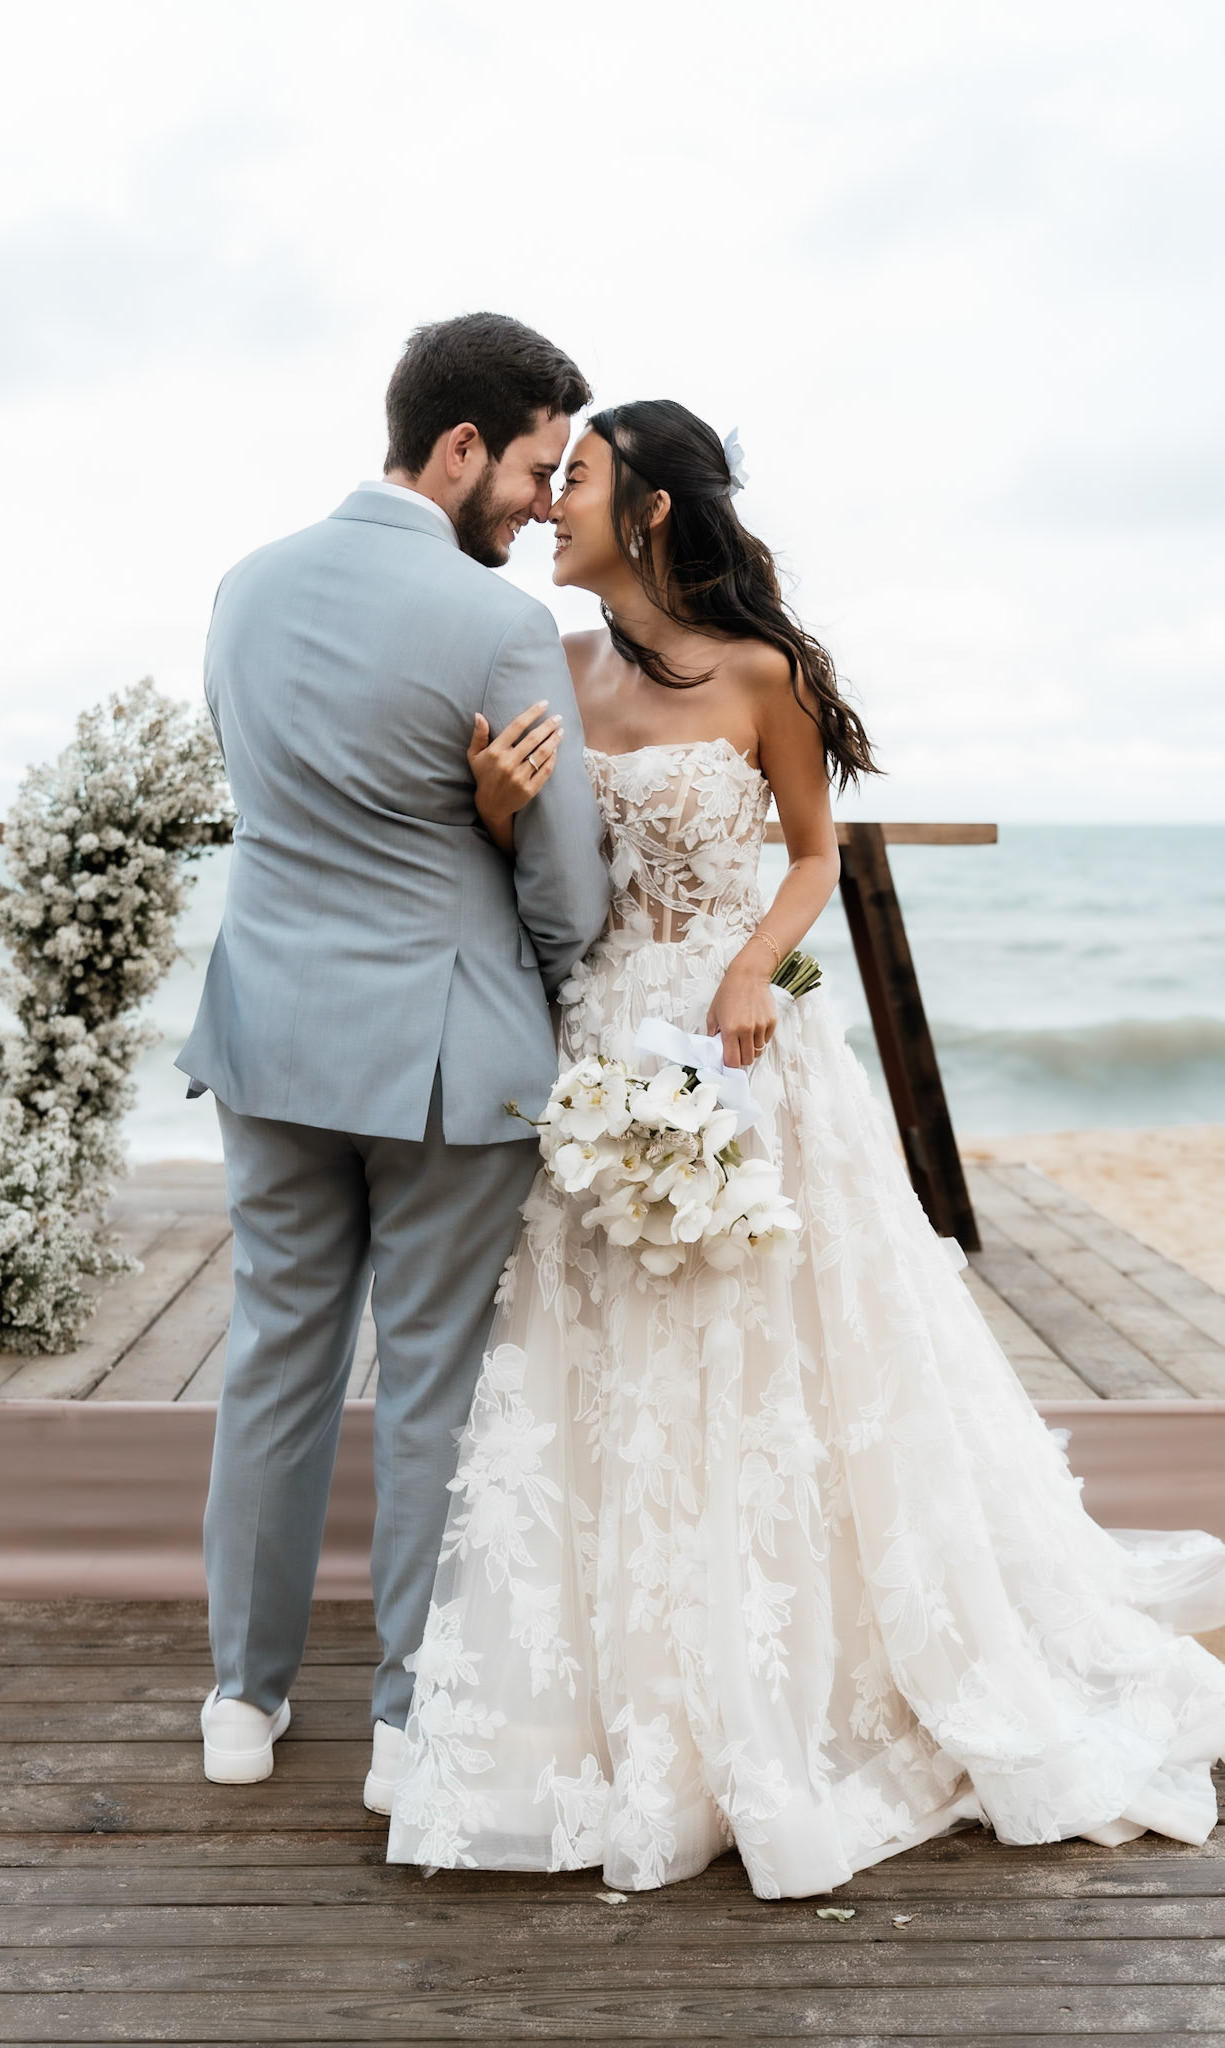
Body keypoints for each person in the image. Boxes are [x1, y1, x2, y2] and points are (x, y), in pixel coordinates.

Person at [386, 400, 1225, 1897]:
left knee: (787, 1349)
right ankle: (627, 1692)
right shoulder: (553, 669)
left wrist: (751, 972)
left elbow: (811, 854)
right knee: (612, 1360)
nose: (546, 507)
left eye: (573, 480)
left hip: (745, 1048)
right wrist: (502, 811)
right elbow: (547, 876)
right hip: (601, 1053)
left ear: (646, 510)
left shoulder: (760, 671)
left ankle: (816, 1667)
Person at [177, 314, 611, 1803]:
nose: (546, 503)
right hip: (447, 1060)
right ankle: (407, 1724)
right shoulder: (499, 629)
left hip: (267, 1035)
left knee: (272, 1363)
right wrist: (558, 991)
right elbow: (564, 881)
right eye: (538, 469)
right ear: (461, 446)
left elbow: (274, 799)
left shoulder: (240, 590)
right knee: (430, 1383)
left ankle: (242, 1699)